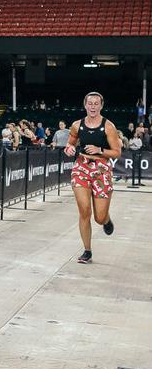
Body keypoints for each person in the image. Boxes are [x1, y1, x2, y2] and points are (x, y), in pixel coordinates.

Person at [64, 92, 121, 264]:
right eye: (90, 103)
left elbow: (117, 152)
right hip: (81, 168)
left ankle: (106, 219)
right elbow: (70, 143)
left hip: (102, 169)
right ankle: (87, 251)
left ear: (101, 106)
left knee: (99, 217)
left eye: (96, 103)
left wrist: (99, 150)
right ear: (85, 105)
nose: (93, 106)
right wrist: (69, 149)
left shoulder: (108, 126)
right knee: (84, 211)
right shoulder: (77, 125)